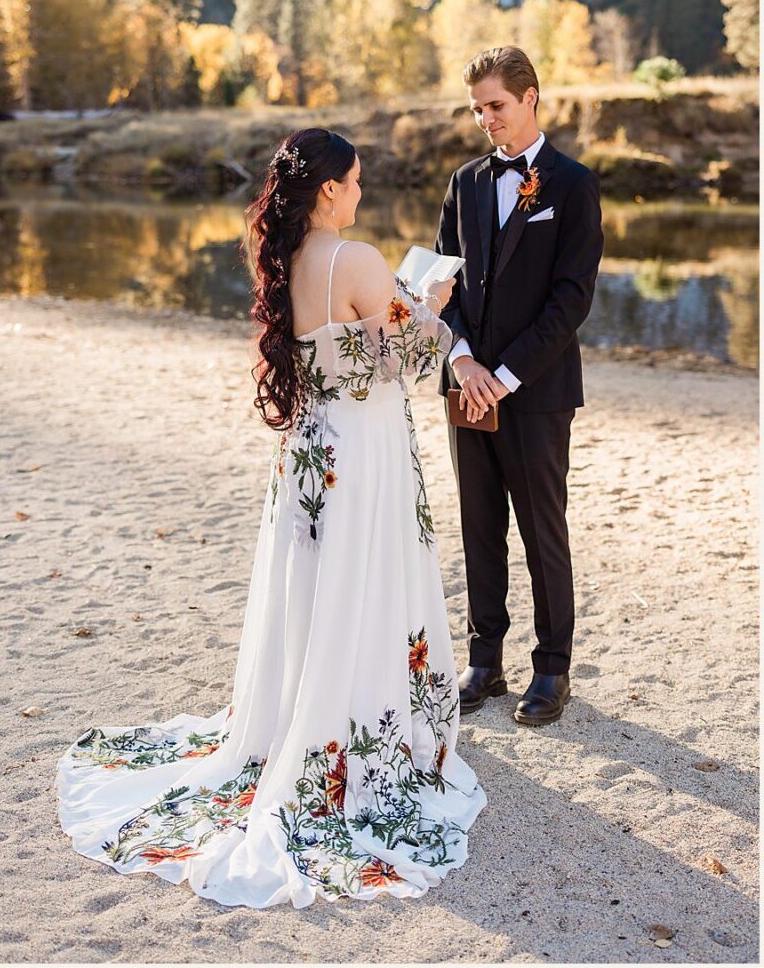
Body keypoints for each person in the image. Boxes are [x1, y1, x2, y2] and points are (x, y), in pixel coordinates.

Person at [55, 128, 485, 908]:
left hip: (312, 453)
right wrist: (434, 304)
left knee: (319, 585)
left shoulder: (293, 261)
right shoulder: (355, 259)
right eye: (353, 181)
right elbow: (414, 355)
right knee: (366, 578)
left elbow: (356, 352)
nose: (359, 192)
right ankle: (357, 728)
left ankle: (298, 714)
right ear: (328, 190)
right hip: (364, 454)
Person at [436, 46, 603, 727]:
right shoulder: (465, 182)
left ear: (531, 97)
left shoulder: (573, 185)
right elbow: (439, 288)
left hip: (535, 394)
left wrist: (501, 378)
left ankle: (553, 670)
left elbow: (570, 301)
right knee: (479, 528)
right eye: (477, 109)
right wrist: (463, 362)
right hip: (467, 391)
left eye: (495, 106)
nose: (485, 121)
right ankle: (485, 659)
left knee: (542, 532)